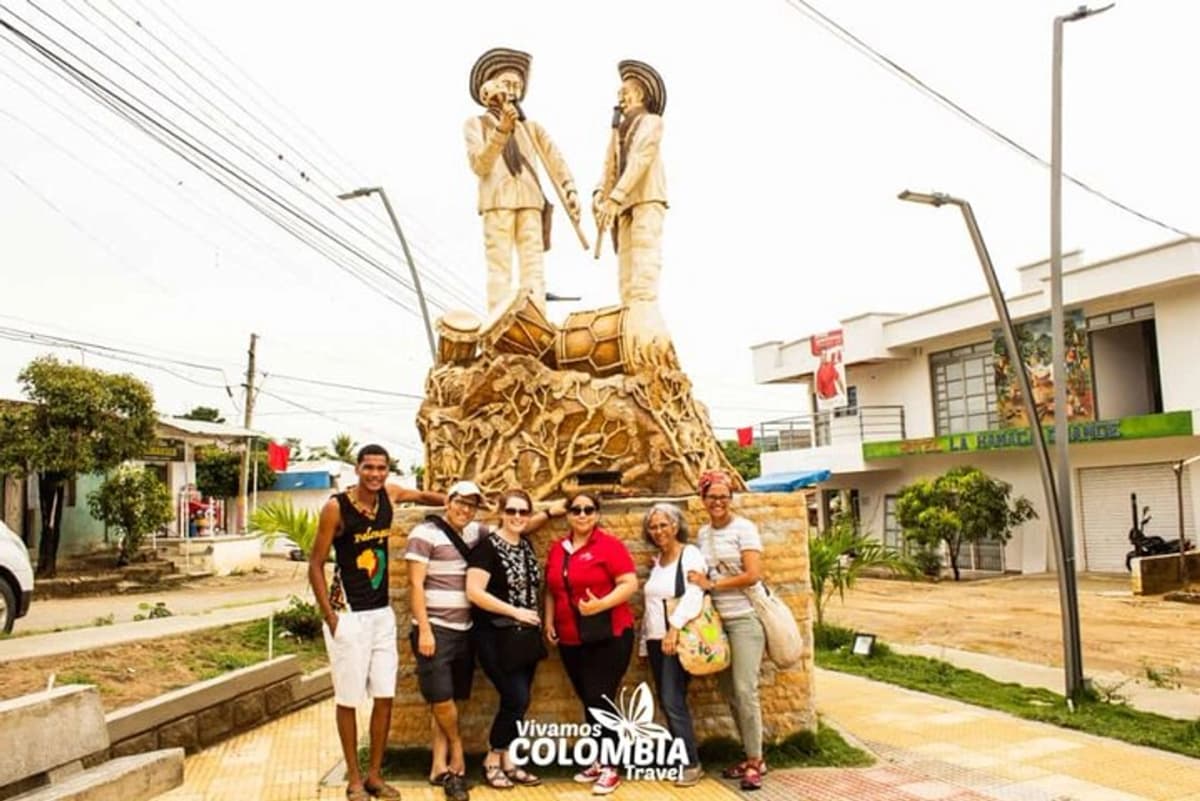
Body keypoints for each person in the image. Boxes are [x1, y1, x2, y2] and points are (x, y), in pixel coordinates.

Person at [308, 444, 446, 801]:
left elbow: (424, 495)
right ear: (357, 469)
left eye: (381, 468)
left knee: (385, 696)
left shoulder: (389, 495)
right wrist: (331, 617)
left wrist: (457, 498)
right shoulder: (336, 508)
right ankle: (353, 778)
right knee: (349, 698)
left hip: (381, 615)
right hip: (349, 616)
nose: (375, 474)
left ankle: (374, 776)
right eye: (368, 467)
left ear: (387, 470)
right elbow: (316, 564)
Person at [465, 47, 581, 317]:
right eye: (507, 84)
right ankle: (499, 324)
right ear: (489, 89)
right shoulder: (476, 124)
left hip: (530, 200)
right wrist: (502, 130)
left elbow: (555, 159)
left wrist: (569, 189)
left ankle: (537, 322)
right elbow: (480, 164)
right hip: (497, 201)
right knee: (499, 269)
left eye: (517, 86)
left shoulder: (532, 127)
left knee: (533, 270)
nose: (513, 91)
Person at [465, 489, 566, 789]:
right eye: (512, 512)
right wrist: (517, 612)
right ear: (501, 513)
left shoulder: (525, 545)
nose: (518, 517)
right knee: (515, 697)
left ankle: (509, 759)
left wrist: (549, 513)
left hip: (523, 638)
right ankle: (493, 757)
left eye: (524, 512)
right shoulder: (486, 547)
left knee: (520, 702)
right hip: (494, 635)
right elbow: (474, 592)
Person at [544, 490, 637, 795]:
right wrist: (548, 621)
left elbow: (629, 583)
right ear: (567, 515)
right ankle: (599, 759)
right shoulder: (558, 549)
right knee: (589, 699)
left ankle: (612, 766)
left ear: (597, 514)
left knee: (601, 700)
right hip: (572, 638)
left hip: (608, 635)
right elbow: (552, 590)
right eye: (576, 510)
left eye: (588, 510)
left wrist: (601, 605)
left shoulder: (609, 546)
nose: (582, 515)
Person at [405, 481, 491, 801]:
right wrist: (425, 630)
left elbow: (513, 525)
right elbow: (415, 585)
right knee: (441, 698)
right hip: (436, 629)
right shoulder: (424, 533)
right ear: (448, 501)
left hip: (465, 629)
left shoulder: (476, 532)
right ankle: (457, 748)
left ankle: (437, 765)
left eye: (472, 505)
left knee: (451, 698)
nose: (465, 509)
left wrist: (553, 510)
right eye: (460, 502)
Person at [686, 470, 767, 792]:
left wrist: (713, 583)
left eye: (723, 496)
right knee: (731, 693)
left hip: (745, 619)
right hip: (716, 625)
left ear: (730, 499)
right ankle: (747, 756)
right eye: (712, 496)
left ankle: (756, 760)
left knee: (746, 691)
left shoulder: (744, 529)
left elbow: (753, 574)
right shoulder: (704, 534)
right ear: (703, 500)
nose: (718, 502)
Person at [594, 59, 670, 364]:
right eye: (619, 92)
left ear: (640, 95)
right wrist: (600, 195)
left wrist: (616, 197)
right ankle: (629, 341)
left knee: (643, 274)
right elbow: (608, 168)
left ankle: (648, 341)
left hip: (647, 199)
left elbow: (640, 158)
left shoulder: (652, 122)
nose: (620, 97)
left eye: (625, 92)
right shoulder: (616, 130)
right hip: (622, 206)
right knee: (625, 279)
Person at [638, 503, 706, 787]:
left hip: (674, 639)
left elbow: (695, 593)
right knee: (670, 698)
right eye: (653, 527)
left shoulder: (688, 554)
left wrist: (674, 629)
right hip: (657, 640)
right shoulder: (659, 561)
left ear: (676, 526)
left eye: (664, 525)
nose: (658, 531)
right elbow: (652, 605)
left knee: (671, 699)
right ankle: (681, 755)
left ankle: (690, 762)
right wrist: (645, 643)